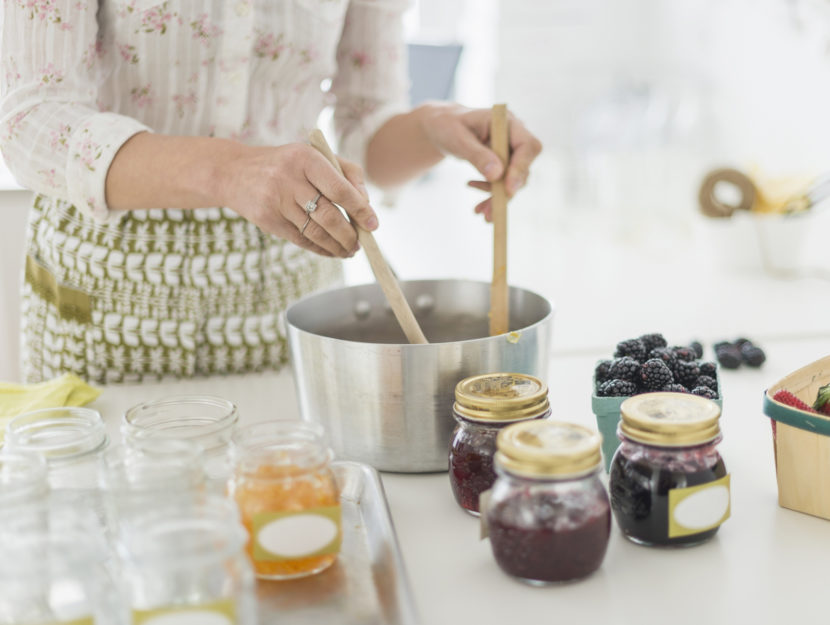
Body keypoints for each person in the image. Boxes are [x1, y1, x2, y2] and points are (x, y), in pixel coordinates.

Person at [1, 0, 542, 384]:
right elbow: (32, 122)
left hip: (293, 304)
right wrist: (230, 171)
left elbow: (363, 126)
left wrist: (429, 127)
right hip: (101, 298)